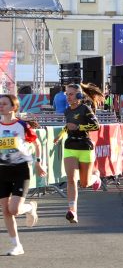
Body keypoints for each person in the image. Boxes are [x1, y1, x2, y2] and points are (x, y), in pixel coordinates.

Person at [0, 94, 46, 256]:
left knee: (14, 209)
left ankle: (30, 207)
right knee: (5, 210)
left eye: (5, 104)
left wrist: (39, 162)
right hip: (2, 171)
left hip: (20, 170)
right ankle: (16, 245)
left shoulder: (21, 125)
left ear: (14, 107)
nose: (1, 106)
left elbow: (37, 143)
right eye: (0, 104)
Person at [54, 83, 103, 222]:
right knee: (71, 180)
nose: (68, 97)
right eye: (66, 94)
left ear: (79, 95)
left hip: (84, 147)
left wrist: (79, 126)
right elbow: (68, 125)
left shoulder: (85, 109)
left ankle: (96, 177)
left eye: (71, 94)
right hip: (70, 146)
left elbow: (96, 126)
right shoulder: (67, 110)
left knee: (85, 183)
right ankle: (72, 210)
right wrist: (61, 135)